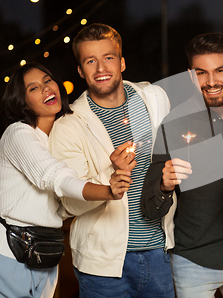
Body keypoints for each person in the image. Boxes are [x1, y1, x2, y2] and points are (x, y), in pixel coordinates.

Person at [48, 24, 175, 298]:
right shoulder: (70, 125)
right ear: (80, 71)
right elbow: (69, 203)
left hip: (158, 252)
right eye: (90, 61)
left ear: (122, 62)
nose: (100, 68)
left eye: (108, 58)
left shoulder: (154, 100)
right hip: (102, 264)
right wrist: (111, 176)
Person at [0, 62, 130, 298]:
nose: (46, 88)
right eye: (33, 88)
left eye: (47, 80)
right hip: (10, 250)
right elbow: (56, 177)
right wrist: (108, 191)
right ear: (22, 101)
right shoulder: (19, 133)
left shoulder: (58, 139)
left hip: (46, 249)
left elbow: (65, 205)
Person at [142, 33, 223, 298]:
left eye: (220, 71)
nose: (212, 81)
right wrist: (163, 183)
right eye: (201, 73)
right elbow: (149, 207)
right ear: (190, 75)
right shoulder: (173, 123)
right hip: (193, 259)